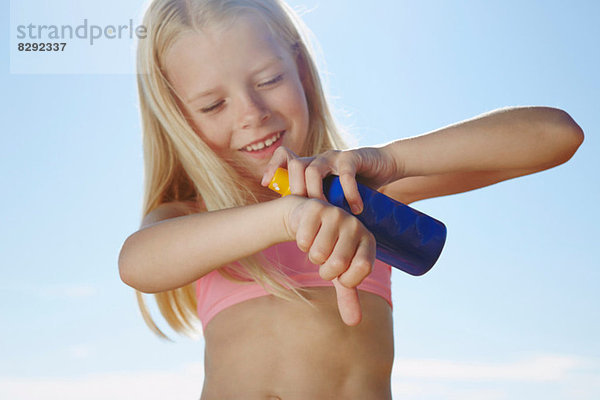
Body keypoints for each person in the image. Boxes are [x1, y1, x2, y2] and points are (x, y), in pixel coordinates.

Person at [118, 0, 584, 398]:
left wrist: (392, 160)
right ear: (178, 116)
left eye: (267, 80)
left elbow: (555, 135)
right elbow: (139, 264)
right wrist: (290, 216)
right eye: (213, 105)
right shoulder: (193, 216)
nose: (252, 115)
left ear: (300, 69)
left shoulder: (359, 194)